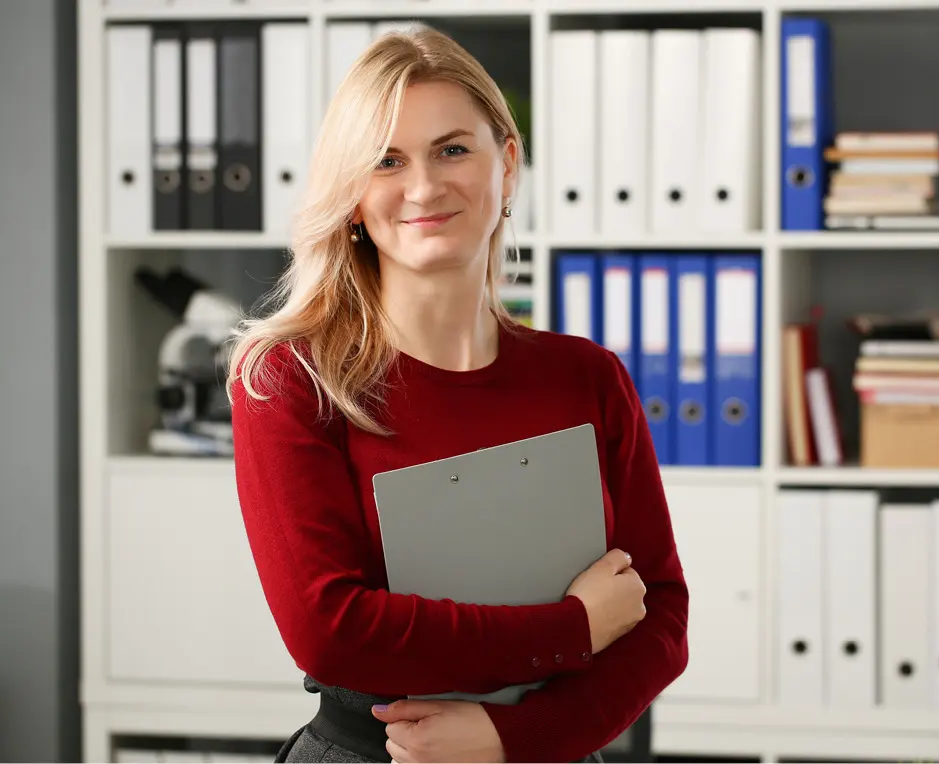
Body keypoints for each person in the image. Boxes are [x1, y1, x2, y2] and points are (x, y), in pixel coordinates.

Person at [226, 24, 688, 764]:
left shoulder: (587, 376)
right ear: (352, 196)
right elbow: (329, 631)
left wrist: (514, 739)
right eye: (386, 161)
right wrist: (572, 629)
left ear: (507, 165)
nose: (423, 187)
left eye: (452, 150)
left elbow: (660, 616)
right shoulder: (288, 379)